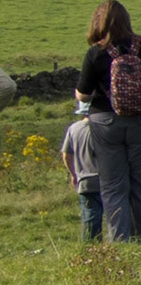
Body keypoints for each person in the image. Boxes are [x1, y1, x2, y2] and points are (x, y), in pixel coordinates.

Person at [74, 0, 141, 242]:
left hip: (105, 122)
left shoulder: (95, 52)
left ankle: (120, 244)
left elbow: (83, 94)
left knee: (112, 186)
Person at [59, 100, 103, 241]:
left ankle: (91, 247)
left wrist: (73, 174)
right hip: (108, 178)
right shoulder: (105, 126)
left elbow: (66, 155)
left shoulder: (74, 128)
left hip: (85, 179)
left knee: (90, 215)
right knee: (115, 215)